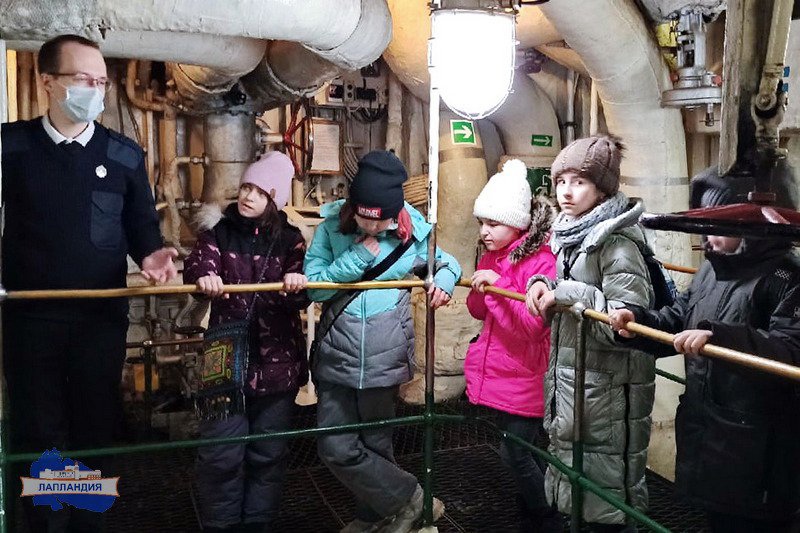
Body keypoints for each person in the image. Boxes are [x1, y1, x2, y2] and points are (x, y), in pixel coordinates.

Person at [1, 34, 177, 532]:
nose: (96, 91)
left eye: (101, 82)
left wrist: (152, 254)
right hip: (30, 318)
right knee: (40, 431)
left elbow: (141, 226)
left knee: (94, 429)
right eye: (84, 80)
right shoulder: (10, 148)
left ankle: (86, 523)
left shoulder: (123, 155)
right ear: (47, 82)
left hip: (99, 320)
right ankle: (45, 524)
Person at [609, 168, 800, 533]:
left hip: (762, 449)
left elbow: (790, 352)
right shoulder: (713, 271)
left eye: (719, 226)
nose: (708, 237)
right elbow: (680, 317)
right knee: (720, 521)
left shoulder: (788, 278)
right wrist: (637, 323)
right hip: (711, 432)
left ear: (752, 227)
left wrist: (720, 339)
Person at [304, 150, 461, 533]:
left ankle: (375, 518)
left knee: (376, 445)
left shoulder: (414, 236)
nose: (372, 227)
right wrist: (356, 258)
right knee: (335, 447)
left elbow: (447, 263)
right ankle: (414, 500)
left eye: (381, 220)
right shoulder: (331, 230)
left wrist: (443, 281)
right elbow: (315, 288)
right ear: (352, 207)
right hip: (337, 357)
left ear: (395, 212)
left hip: (384, 359)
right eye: (364, 218)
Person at [525, 135, 655, 532]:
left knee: (608, 500)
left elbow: (625, 325)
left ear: (602, 189)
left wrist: (565, 294)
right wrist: (542, 283)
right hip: (578, 383)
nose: (566, 191)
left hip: (608, 390)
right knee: (580, 489)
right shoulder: (572, 236)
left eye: (579, 182)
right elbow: (574, 286)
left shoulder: (617, 245)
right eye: (561, 181)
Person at [184, 151, 309, 532]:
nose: (248, 196)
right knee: (220, 454)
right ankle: (220, 526)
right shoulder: (218, 233)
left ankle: (257, 524)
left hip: (278, 363)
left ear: (275, 199)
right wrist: (205, 277)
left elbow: (305, 289)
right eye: (245, 187)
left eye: (259, 191)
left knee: (268, 454)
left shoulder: (291, 242)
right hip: (225, 362)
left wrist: (298, 284)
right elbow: (198, 264)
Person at [464, 159, 561, 532]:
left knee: (516, 453)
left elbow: (532, 327)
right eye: (482, 223)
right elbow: (479, 311)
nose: (484, 232)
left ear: (517, 223)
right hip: (506, 372)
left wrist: (497, 285)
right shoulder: (495, 255)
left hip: (528, 373)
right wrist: (484, 287)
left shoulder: (541, 262)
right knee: (524, 450)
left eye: (493, 223)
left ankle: (547, 516)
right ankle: (539, 504)